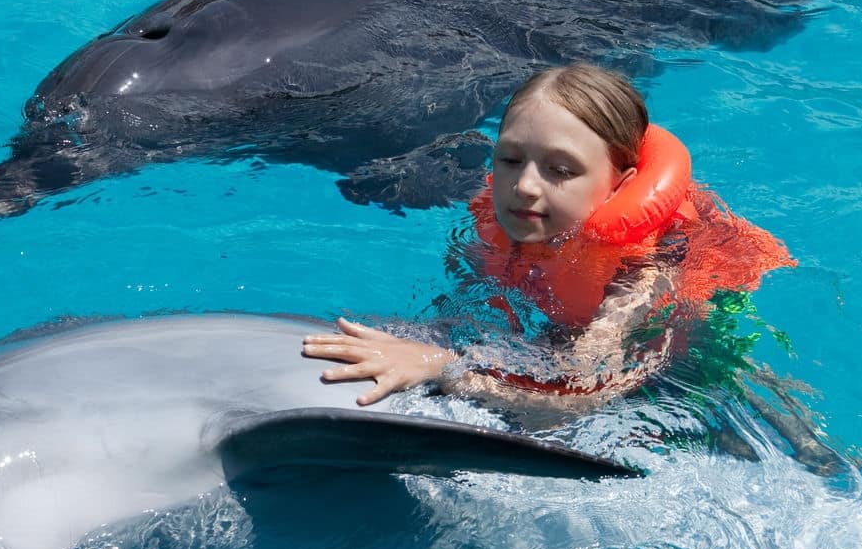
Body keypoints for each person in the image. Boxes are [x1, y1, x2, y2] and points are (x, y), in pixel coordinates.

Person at [301, 64, 793, 420]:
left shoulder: (642, 274)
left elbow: (589, 391)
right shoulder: (493, 223)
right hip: (569, 337)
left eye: (560, 170)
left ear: (621, 185)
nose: (525, 186)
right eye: (511, 160)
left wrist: (439, 367)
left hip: (687, 376)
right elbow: (478, 309)